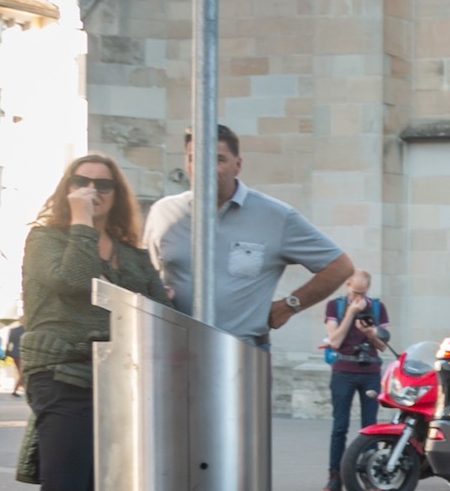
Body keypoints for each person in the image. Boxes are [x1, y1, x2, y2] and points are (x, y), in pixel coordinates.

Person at [9, 153, 169, 491]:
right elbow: (74, 280)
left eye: (103, 185)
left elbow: (158, 309)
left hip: (120, 379)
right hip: (62, 370)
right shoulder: (46, 239)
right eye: (81, 183)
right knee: (63, 490)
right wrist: (80, 221)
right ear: (67, 189)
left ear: (118, 195)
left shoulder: (133, 254)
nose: (92, 191)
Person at [144, 127, 353, 345]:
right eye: (195, 159)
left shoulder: (275, 217)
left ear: (238, 165)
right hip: (173, 348)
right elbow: (147, 274)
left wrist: (289, 305)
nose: (206, 168)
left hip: (243, 351)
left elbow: (340, 267)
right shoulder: (163, 213)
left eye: (219, 159)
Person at [321, 269, 391, 491]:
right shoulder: (336, 306)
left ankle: (370, 478)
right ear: (347, 285)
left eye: (362, 293)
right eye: (354, 292)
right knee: (339, 426)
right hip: (343, 370)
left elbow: (382, 346)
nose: (358, 297)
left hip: (370, 370)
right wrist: (351, 313)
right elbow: (334, 341)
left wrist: (370, 333)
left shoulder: (378, 308)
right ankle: (335, 477)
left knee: (370, 427)